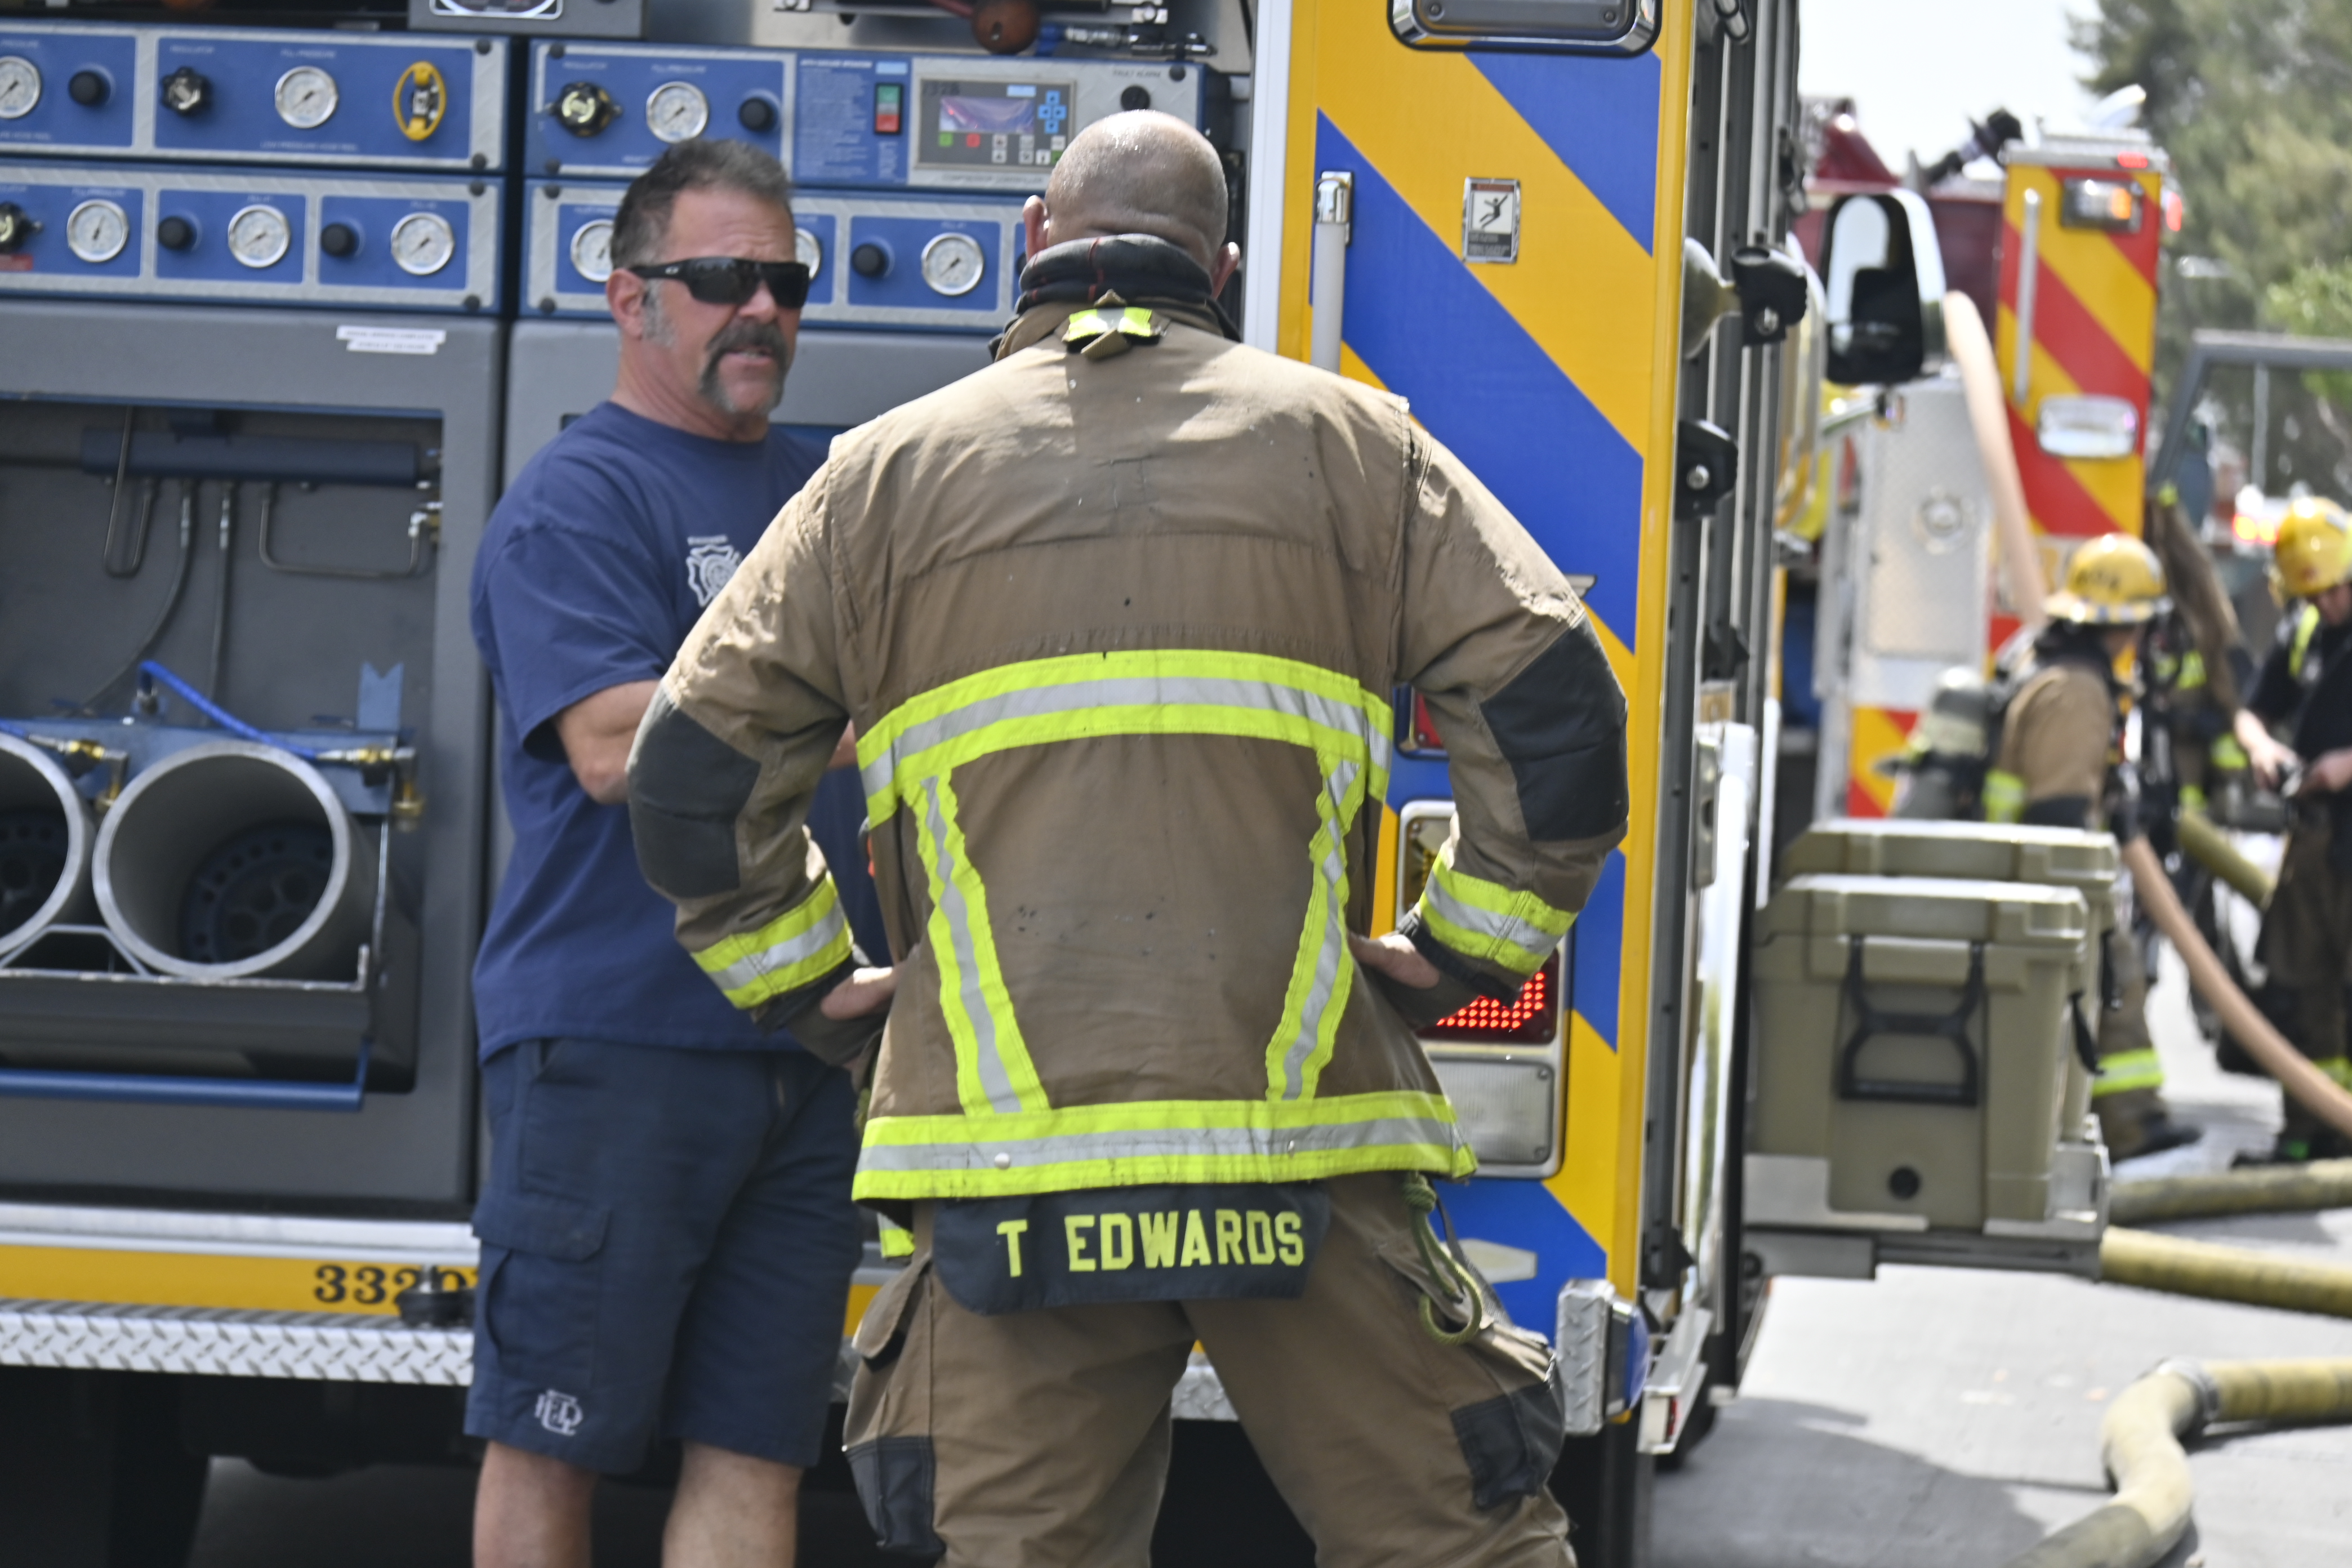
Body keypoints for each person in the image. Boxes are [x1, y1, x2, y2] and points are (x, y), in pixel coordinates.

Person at [627, 112, 1627, 1567]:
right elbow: (1557, 718)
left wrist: (811, 991)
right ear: (1222, 268)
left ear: (1034, 240)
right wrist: (1463, 954)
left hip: (1005, 1162)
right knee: (1458, 1543)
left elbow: (691, 775)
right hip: (1300, 1136)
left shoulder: (877, 480)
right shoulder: (1360, 448)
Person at [465, 138, 881, 1568]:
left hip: (807, 1046)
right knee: (553, 1441)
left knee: (760, 1451)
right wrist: (846, 714)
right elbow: (609, 741)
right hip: (616, 1045)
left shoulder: (831, 495)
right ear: (629, 296)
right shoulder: (577, 500)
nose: (759, 309)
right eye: (718, 279)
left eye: (783, 282)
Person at [1984, 532, 2200, 1160]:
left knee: (2111, 980)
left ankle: (2126, 1120)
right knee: (2114, 979)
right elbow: (2056, 807)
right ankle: (2130, 1125)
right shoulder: (2078, 691)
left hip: (2020, 863)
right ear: (2126, 625)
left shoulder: (2049, 662)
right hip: (2045, 869)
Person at [2233, 495, 2352, 1162]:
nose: (2326, 606)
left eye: (2335, 591)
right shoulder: (2303, 631)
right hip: (2313, 842)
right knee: (2305, 989)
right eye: (2313, 595)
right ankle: (2310, 1133)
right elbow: (2253, 709)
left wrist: (2344, 768)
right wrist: (2262, 749)